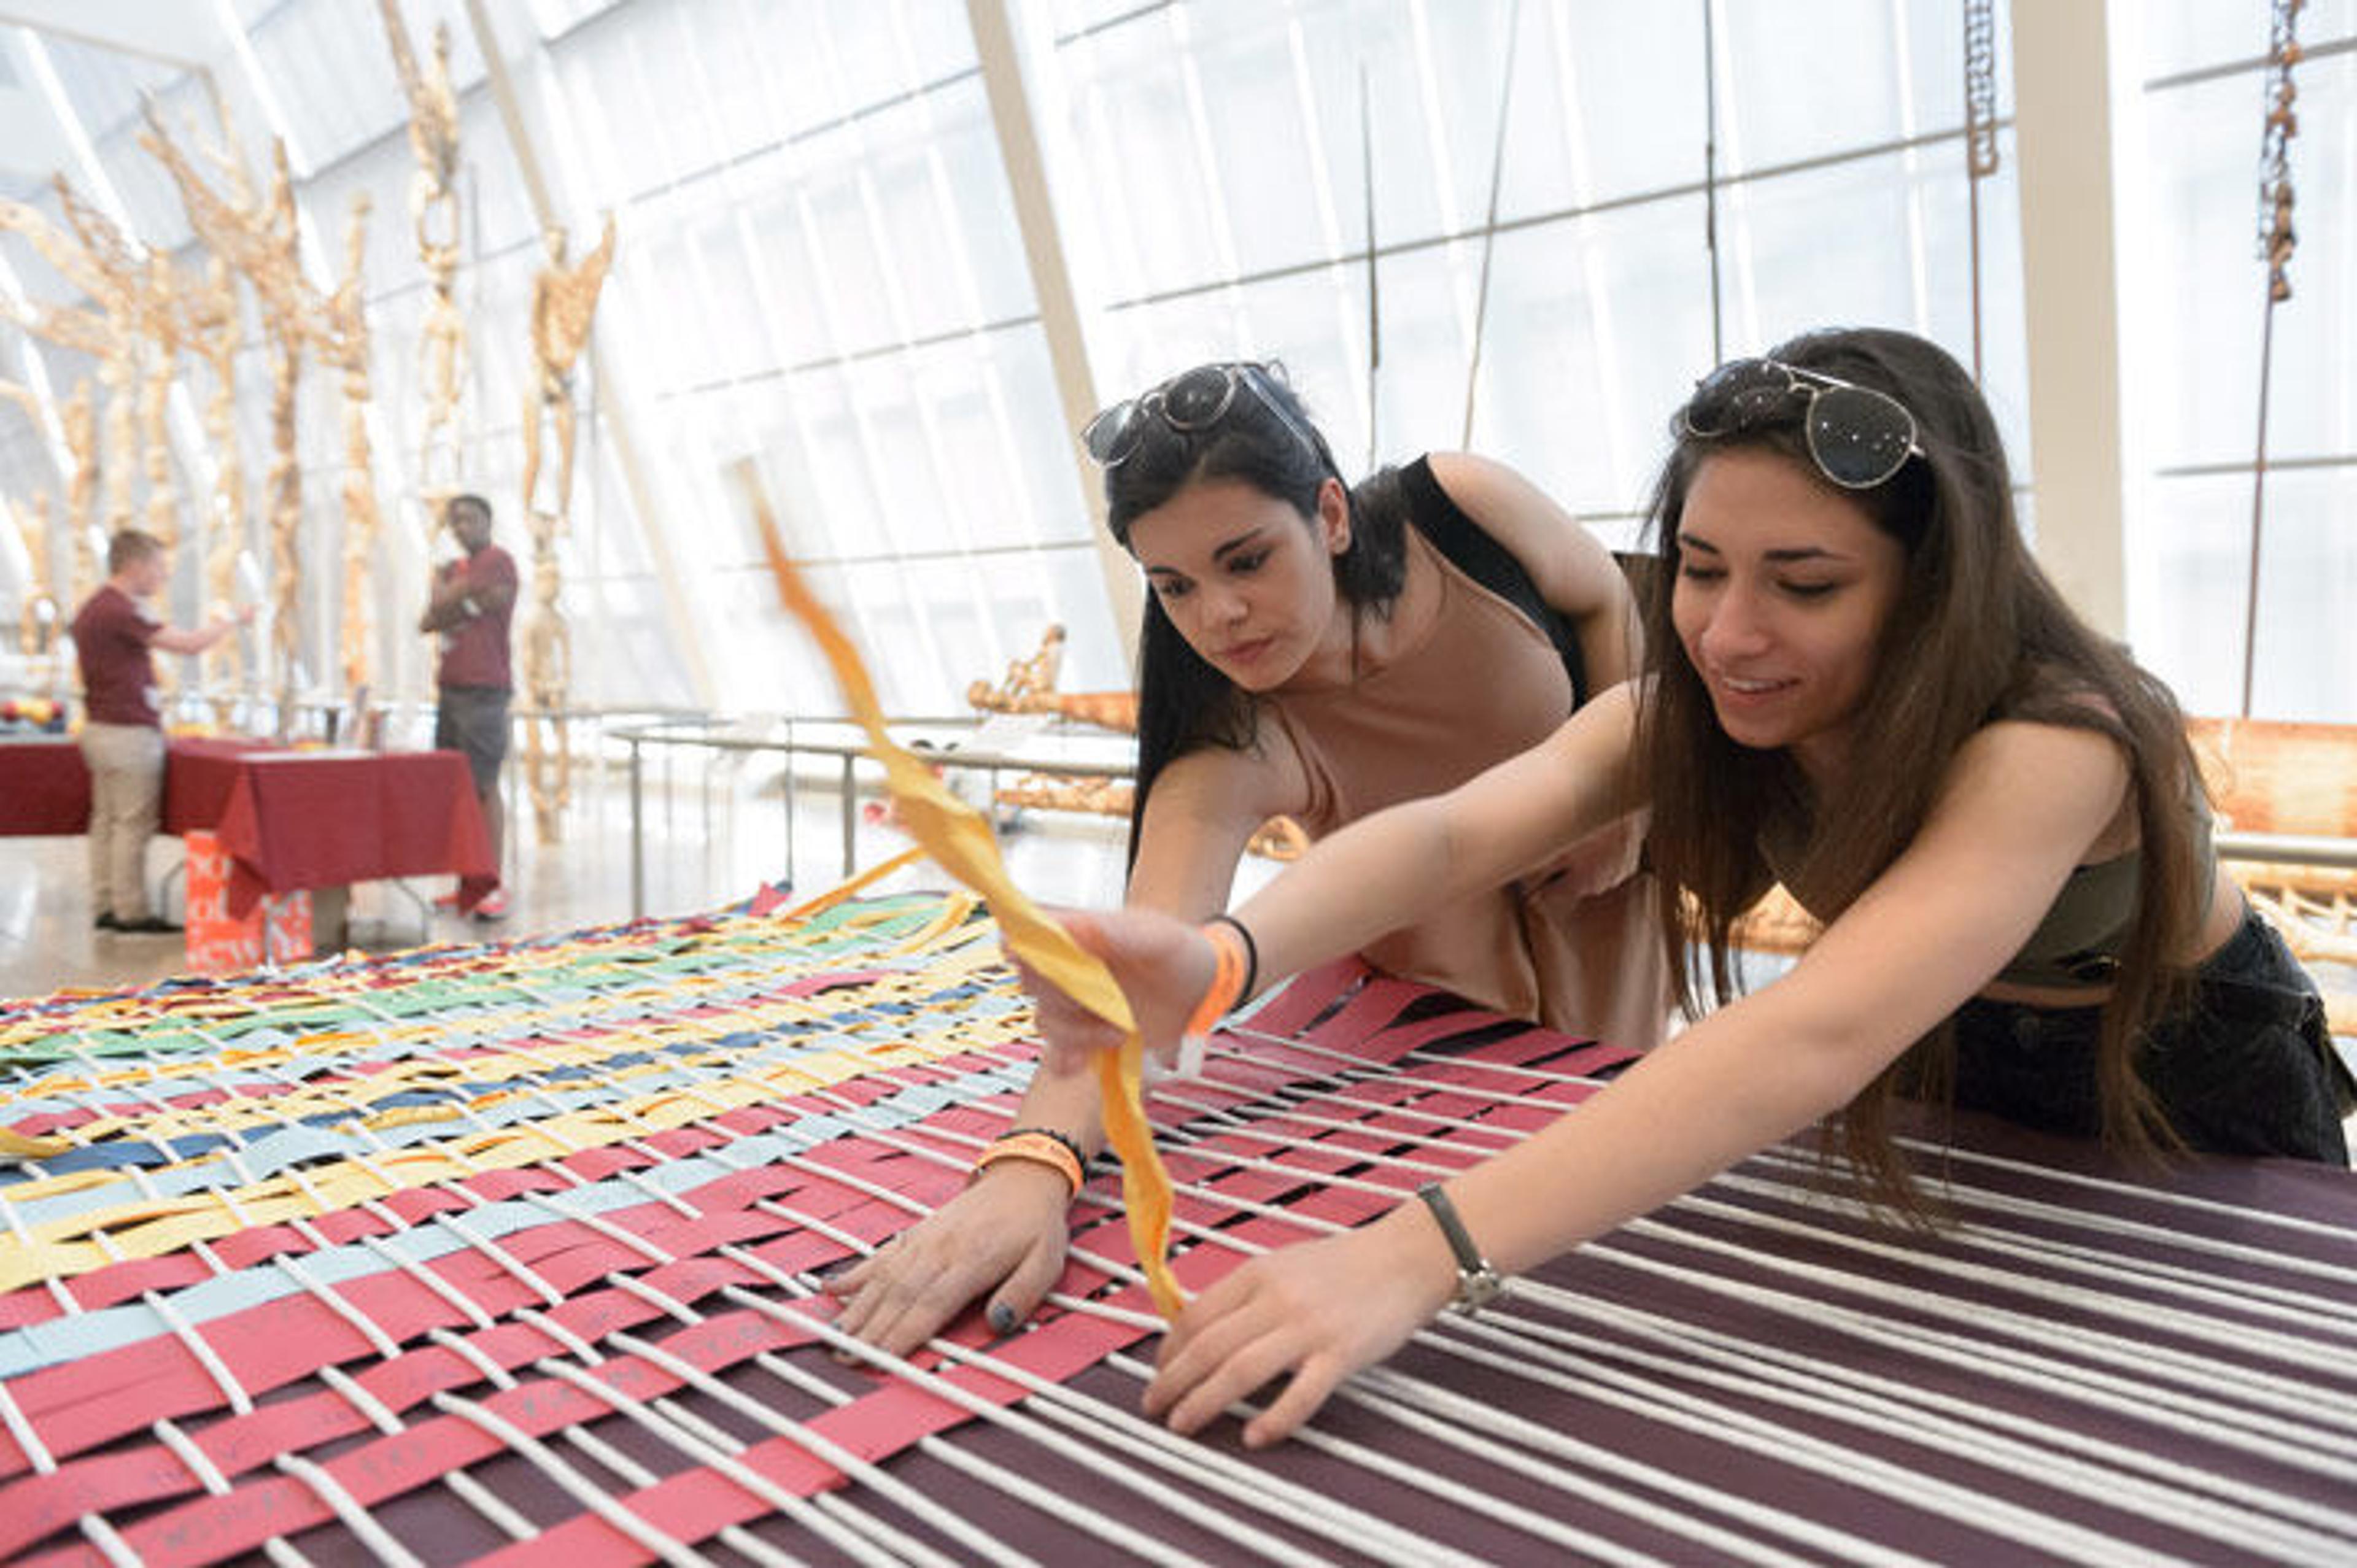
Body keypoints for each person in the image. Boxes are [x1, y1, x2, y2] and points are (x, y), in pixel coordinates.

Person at [1002, 327, 2353, 1448]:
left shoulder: (2055, 743)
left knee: (2226, 1420)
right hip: (1950, 1054)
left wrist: (1405, 1258)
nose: (1729, 631)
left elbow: (1815, 1031)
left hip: (2180, 1072)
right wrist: (1223, 962)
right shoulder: (1701, 702)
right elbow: (1451, 837)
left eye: (1805, 582)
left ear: (1937, 582)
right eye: (1701, 569)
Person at [830, 358, 1662, 1353]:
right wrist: (1031, 1168)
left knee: (1639, 1168)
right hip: (1450, 1039)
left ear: (1331, 515)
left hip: (1616, 931)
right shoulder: (1235, 741)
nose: (1216, 615)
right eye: (1174, 585)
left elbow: (1610, 601)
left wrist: (1631, 807)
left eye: (1247, 560)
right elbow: (1141, 967)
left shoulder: (1465, 513)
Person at [70, 529, 249, 933]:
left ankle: (106, 901)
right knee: (132, 822)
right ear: (134, 564)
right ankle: (130, 911)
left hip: (99, 726)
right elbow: (187, 644)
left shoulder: (94, 607)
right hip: (127, 730)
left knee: (107, 821)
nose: (163, 577)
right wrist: (231, 620)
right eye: (158, 567)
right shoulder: (121, 610)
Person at [418, 492, 516, 919]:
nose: (461, 527)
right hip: (452, 687)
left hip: (484, 690)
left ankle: (493, 884)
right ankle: (468, 887)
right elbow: (427, 619)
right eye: (454, 521)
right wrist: (463, 601)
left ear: (488, 520)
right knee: (459, 789)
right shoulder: (457, 569)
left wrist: (448, 596)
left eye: (470, 518)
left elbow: (441, 604)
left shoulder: (497, 561)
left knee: (484, 784)